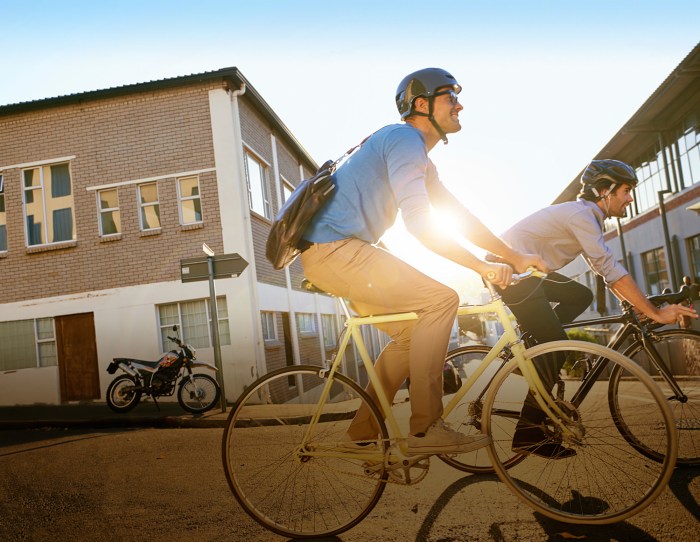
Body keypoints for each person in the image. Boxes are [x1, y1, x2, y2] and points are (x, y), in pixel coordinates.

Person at [300, 68, 546, 455]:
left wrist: (513, 256)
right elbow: (420, 223)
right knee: (441, 300)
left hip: (336, 253)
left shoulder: (418, 157)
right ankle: (426, 428)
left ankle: (362, 432)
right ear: (421, 104)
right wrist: (480, 267)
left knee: (411, 333)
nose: (460, 104)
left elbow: (457, 214)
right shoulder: (404, 138)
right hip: (336, 250)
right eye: (451, 97)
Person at [489, 158, 698, 458]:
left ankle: (535, 343)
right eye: (626, 190)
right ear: (605, 191)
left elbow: (605, 271)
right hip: (510, 272)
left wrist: (636, 302)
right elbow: (608, 267)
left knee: (580, 295)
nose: (630, 198)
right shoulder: (581, 216)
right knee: (555, 346)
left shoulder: (588, 217)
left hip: (529, 274)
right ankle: (528, 432)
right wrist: (653, 312)